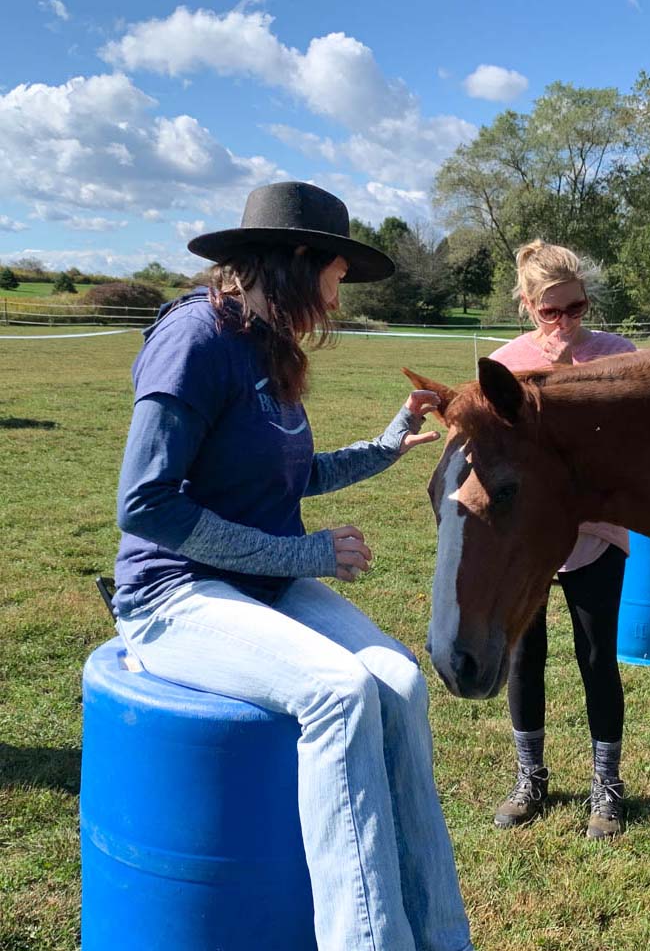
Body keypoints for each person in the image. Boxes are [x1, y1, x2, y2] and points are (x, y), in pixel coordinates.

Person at [112, 181, 473, 951]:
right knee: (339, 693)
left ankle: (442, 938)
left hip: (263, 587)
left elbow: (285, 476)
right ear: (300, 259)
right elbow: (146, 505)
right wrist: (301, 553)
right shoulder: (195, 342)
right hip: (171, 595)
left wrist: (384, 445)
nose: (339, 296)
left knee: (401, 683)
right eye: (339, 274)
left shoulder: (267, 345)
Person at [487, 239, 636, 840]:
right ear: (526, 305)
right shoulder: (504, 364)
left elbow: (642, 450)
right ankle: (531, 777)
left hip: (596, 537)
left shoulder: (618, 355)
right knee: (525, 656)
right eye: (552, 312)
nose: (567, 322)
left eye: (577, 308)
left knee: (598, 658)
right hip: (527, 542)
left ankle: (607, 785)